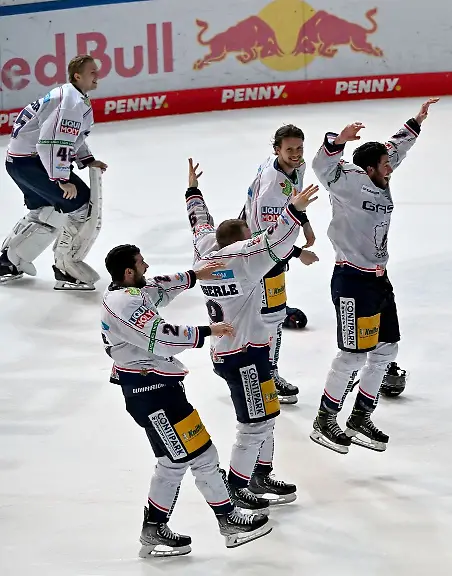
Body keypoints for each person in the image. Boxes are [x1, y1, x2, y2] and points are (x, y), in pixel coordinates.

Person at [101, 244, 272, 557]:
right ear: (129, 273)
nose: (147, 266)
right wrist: (209, 330)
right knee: (203, 456)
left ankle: (153, 528)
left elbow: (158, 287)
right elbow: (163, 337)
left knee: (172, 461)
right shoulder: (123, 304)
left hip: (152, 391)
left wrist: (195, 275)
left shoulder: (127, 293)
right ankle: (228, 521)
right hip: (152, 395)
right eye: (141, 264)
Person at [308, 97, 438, 455]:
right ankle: (324, 419)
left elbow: (395, 149)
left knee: (386, 348)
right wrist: (339, 140)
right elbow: (321, 166)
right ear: (367, 169)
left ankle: (360, 416)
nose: (390, 169)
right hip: (351, 278)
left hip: (379, 278)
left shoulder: (379, 169)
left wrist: (416, 121)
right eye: (384, 166)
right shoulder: (348, 181)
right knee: (351, 355)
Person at [187, 158, 319, 510]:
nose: (253, 236)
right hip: (242, 355)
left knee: (267, 416)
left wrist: (192, 189)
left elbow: (199, 222)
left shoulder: (206, 252)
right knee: (254, 424)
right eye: (249, 235)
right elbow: (273, 240)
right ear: (242, 242)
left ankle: (260, 473)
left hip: (240, 351)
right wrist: (296, 209)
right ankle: (239, 485)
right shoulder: (244, 261)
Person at [1, 54, 108, 289]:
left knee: (48, 210)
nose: (97, 74)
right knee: (81, 206)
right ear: (77, 76)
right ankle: (66, 268)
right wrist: (61, 179)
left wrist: (87, 159)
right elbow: (53, 142)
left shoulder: (72, 96)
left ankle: (8, 262)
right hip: (32, 163)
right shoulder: (70, 102)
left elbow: (70, 137)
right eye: (92, 71)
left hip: (19, 162)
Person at [239, 124, 319, 405]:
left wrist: (305, 224)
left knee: (268, 317)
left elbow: (294, 199)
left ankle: (262, 373)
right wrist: (298, 253)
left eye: (299, 148)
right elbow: (265, 239)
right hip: (261, 258)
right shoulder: (273, 186)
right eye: (289, 150)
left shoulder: (293, 166)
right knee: (270, 320)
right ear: (276, 150)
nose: (296, 154)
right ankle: (266, 377)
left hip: (267, 253)